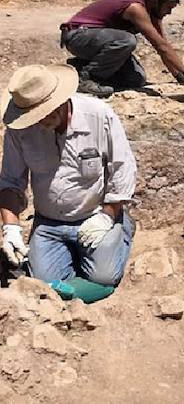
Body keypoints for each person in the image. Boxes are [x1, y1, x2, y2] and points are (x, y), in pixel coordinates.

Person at [0, 64, 137, 291]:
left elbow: (122, 169)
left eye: (41, 114)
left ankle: (122, 226)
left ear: (60, 102)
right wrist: (11, 228)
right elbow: (11, 182)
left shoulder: (99, 116)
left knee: (104, 277)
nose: (37, 122)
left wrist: (107, 215)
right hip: (49, 222)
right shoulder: (19, 129)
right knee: (42, 285)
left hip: (94, 215)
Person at [60, 0, 184, 98]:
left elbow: (163, 45)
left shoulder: (153, 12)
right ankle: (87, 79)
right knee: (127, 40)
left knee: (136, 80)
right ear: (155, 1)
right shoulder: (135, 8)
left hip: (95, 42)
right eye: (168, 7)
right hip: (78, 37)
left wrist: (178, 76)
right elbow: (161, 46)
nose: (169, 12)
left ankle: (81, 66)